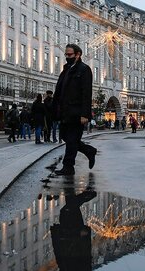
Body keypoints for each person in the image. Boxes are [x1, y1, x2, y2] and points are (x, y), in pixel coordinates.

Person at [52, 44, 97, 175]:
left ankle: (68, 166)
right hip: (65, 112)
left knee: (71, 140)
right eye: (66, 54)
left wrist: (85, 114)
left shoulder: (84, 70)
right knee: (66, 137)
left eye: (70, 55)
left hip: (77, 112)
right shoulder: (66, 70)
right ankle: (89, 150)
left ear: (78, 55)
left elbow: (86, 93)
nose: (67, 57)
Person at [51, 190, 96, 271]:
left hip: (64, 235)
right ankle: (88, 195)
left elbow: (59, 256)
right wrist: (82, 235)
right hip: (76, 234)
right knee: (67, 209)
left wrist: (55, 235)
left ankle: (70, 181)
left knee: (68, 206)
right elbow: (85, 254)